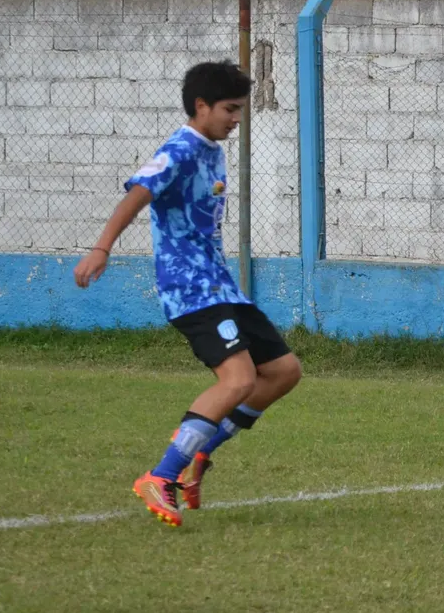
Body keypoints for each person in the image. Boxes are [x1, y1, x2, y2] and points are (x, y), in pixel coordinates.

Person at [73, 61, 302, 528]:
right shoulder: (179, 149)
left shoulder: (212, 147)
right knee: (237, 381)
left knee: (282, 371)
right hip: (191, 289)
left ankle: (200, 456)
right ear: (201, 107)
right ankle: (161, 476)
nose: (236, 119)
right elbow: (138, 192)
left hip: (222, 286)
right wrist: (102, 247)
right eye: (230, 110)